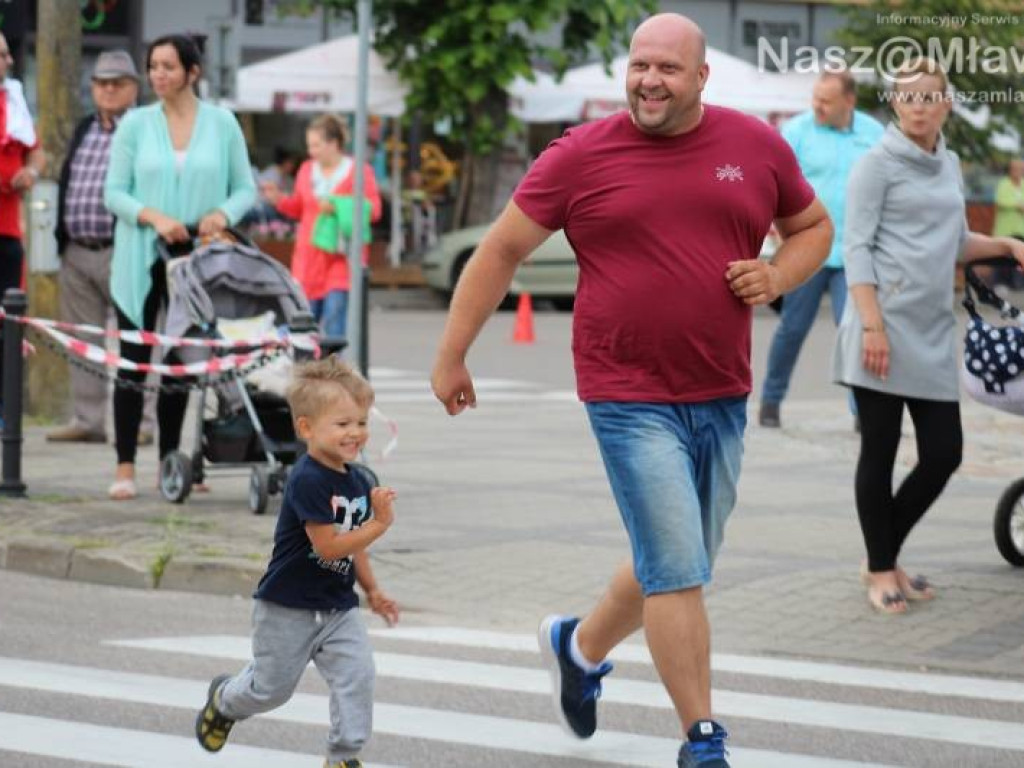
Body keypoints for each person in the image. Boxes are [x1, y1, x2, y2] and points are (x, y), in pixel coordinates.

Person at [431, 13, 831, 768]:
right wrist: (451, 354)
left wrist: (778, 273)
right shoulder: (581, 154)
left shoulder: (755, 146)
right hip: (625, 393)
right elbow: (502, 248)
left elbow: (813, 226)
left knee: (675, 557)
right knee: (678, 567)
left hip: (720, 391)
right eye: (640, 65)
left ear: (702, 77)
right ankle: (702, 738)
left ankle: (576, 650)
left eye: (668, 69)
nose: (650, 81)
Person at [833, 57, 1024, 615]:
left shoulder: (951, 163)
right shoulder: (875, 165)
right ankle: (881, 567)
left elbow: (954, 239)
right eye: (908, 97)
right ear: (894, 103)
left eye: (929, 97)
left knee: (943, 453)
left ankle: (881, 555)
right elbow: (857, 247)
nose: (918, 106)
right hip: (880, 328)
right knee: (881, 449)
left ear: (946, 104)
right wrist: (871, 323)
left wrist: (1007, 245)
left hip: (933, 331)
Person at [194, 357, 398, 768]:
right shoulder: (307, 479)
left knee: (357, 678)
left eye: (360, 421)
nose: (355, 432)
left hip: (338, 609)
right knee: (270, 691)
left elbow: (353, 545)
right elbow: (328, 547)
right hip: (287, 607)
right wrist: (380, 524)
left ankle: (341, 757)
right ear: (307, 428)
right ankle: (225, 699)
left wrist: (372, 590)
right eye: (342, 424)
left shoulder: (360, 480)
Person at [104, 34, 255, 500]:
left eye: (168, 66)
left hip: (198, 261)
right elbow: (116, 192)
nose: (158, 75)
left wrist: (222, 215)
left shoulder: (222, 123)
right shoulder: (135, 124)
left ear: (193, 72)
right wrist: (154, 217)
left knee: (182, 364)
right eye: (153, 66)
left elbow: (244, 188)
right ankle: (125, 465)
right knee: (133, 363)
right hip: (140, 255)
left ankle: (172, 461)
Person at [758, 70, 884, 429]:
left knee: (856, 331)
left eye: (826, 100)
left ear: (849, 101)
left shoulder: (874, 136)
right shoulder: (797, 132)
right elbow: (772, 183)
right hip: (806, 248)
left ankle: (862, 412)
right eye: (815, 98)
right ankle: (771, 400)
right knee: (792, 328)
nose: (818, 106)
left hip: (855, 253)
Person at [47, 50, 158, 446]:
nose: (108, 89)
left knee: (138, 336)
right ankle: (88, 419)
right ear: (92, 88)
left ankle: (143, 423)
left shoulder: (146, 127)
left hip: (124, 247)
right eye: (101, 82)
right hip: (76, 249)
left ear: (134, 88)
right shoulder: (83, 128)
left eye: (117, 82)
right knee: (84, 339)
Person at [262, 114, 382, 340]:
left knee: (334, 327)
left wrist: (337, 205)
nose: (311, 151)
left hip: (341, 259)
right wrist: (279, 199)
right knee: (304, 329)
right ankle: (308, 375)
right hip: (308, 260)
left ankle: (333, 374)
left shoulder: (359, 171)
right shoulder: (307, 170)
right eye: (309, 145)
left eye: (316, 145)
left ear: (334, 144)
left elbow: (374, 210)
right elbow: (299, 208)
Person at [0, 31, 44, 425]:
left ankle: (5, 412)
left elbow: (37, 151)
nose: (7, 62)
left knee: (8, 325)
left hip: (9, 232)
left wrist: (29, 171)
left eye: (7, 54)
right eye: (0, 55)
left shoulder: (13, 102)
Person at [991, 158, 1024, 288]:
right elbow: (1000, 201)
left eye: (1021, 169)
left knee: (1019, 258)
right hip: (1005, 230)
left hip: (1021, 229)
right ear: (1010, 170)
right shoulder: (1003, 184)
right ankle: (998, 284)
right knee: (1002, 257)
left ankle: (1018, 285)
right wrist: (1017, 206)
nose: (1018, 171)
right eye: (1015, 169)